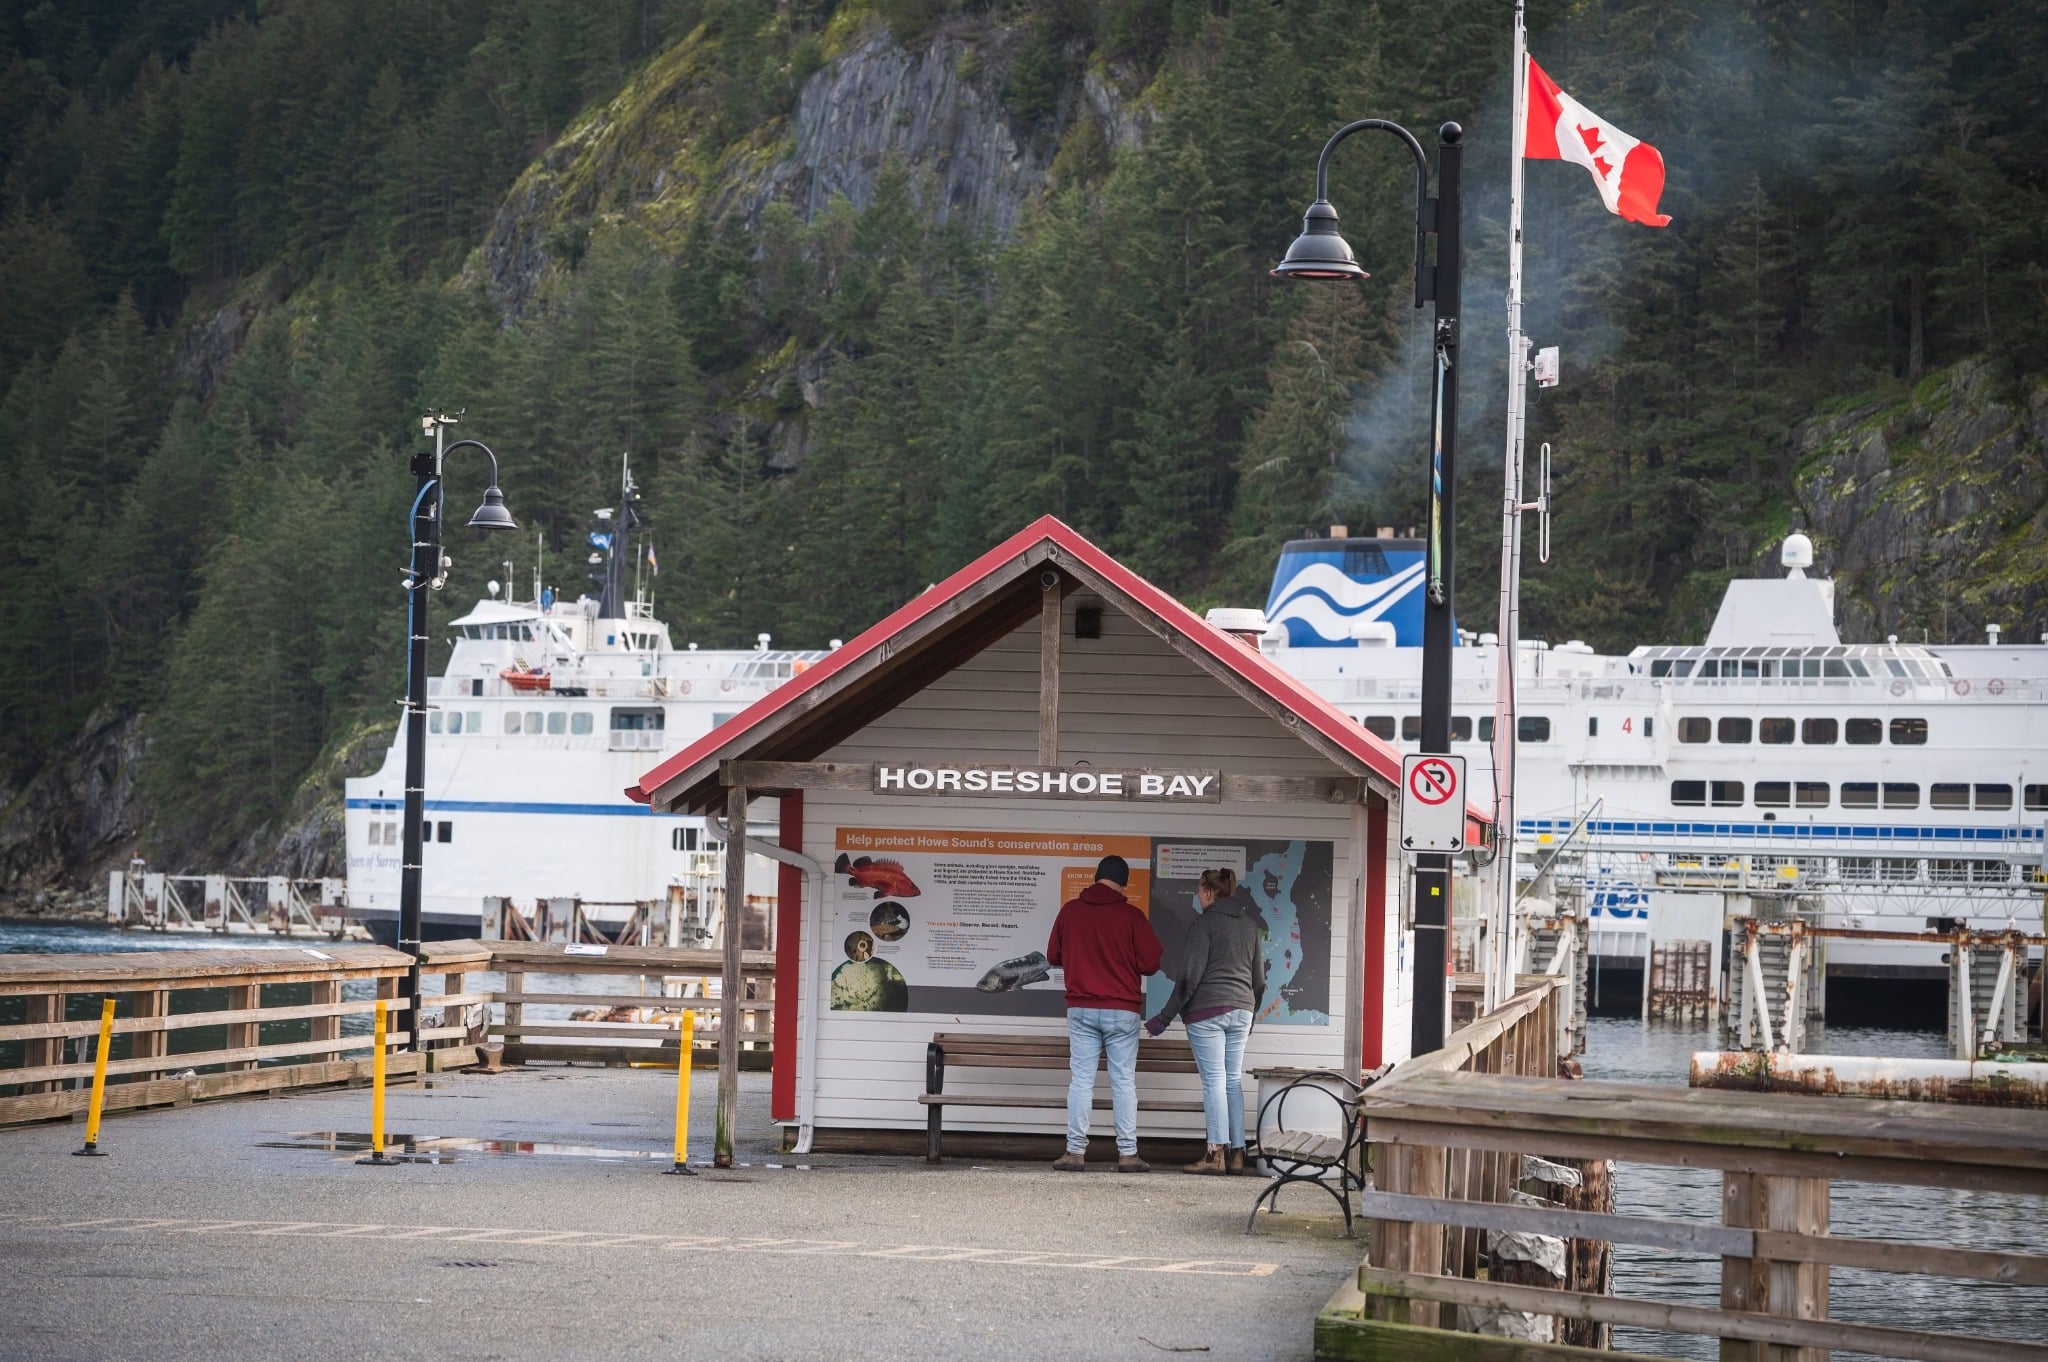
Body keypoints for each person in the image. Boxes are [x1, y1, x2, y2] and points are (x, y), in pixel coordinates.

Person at [1045, 853, 1163, 1173]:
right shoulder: (1132, 916)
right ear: (1123, 883)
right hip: (1122, 1009)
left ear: (1096, 877)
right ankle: (1127, 1154)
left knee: (1082, 1080)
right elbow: (1151, 963)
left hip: (1082, 1007)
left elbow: (1053, 954)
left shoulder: (1070, 911)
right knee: (1123, 1082)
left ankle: (1074, 1152)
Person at [1145, 868, 1264, 1176]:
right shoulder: (1249, 926)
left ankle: (1214, 1155)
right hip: (1243, 1009)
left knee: (1214, 1081)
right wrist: (1250, 1016)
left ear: (1210, 893)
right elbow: (1259, 980)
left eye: (1199, 891)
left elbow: (1188, 978)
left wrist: (1164, 1018)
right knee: (1232, 1080)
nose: (1198, 897)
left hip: (1208, 1011)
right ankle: (1238, 1154)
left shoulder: (1203, 924)